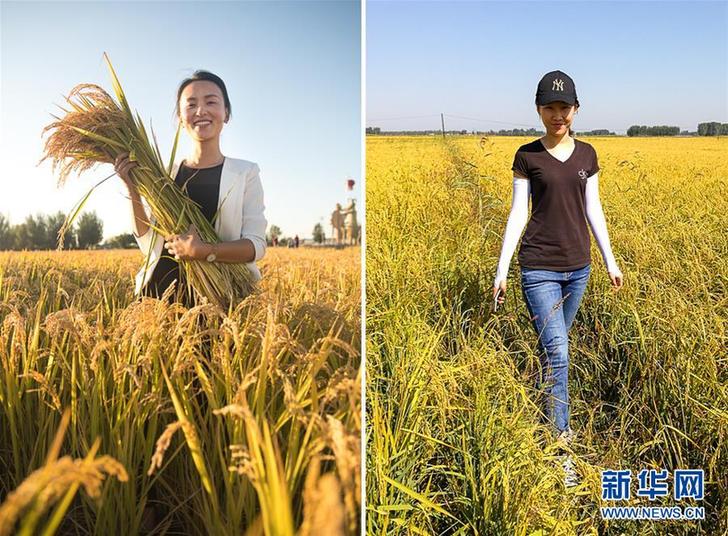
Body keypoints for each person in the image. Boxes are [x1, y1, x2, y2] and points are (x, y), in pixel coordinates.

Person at [492, 70, 624, 487]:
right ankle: (560, 445)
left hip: (578, 268)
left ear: (576, 110)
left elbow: (594, 209)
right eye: (549, 107)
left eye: (563, 107)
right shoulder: (527, 155)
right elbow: (518, 214)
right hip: (538, 268)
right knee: (561, 353)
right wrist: (501, 269)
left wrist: (610, 260)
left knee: (553, 354)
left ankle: (540, 407)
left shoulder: (587, 154)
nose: (557, 115)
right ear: (538, 109)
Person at [115, 70, 267, 307]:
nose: (201, 111)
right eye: (191, 104)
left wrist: (205, 251)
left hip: (220, 302)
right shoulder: (163, 172)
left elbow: (255, 246)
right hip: (159, 297)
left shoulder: (245, 173)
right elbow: (147, 243)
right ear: (180, 117)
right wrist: (132, 188)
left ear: (226, 113)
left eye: (211, 102)